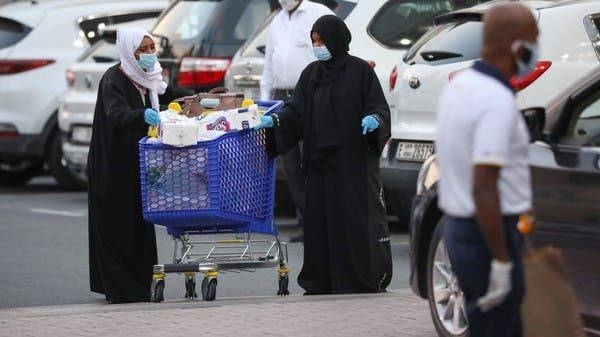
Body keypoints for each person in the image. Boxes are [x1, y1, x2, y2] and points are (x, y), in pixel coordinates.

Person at [256, 15, 392, 294]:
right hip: (319, 164)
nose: (318, 46)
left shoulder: (360, 71)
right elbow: (297, 112)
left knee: (354, 222)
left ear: (337, 40)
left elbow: (377, 106)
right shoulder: (311, 74)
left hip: (353, 164)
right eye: (315, 41)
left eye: (322, 41)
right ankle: (323, 281)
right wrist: (278, 121)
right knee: (321, 223)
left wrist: (374, 120)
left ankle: (359, 279)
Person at [435, 3, 539, 336]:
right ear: (516, 45)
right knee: (501, 327)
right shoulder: (494, 99)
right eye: (533, 41)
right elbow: (484, 186)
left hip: (461, 229)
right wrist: (502, 260)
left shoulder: (458, 87)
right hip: (489, 233)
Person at [87, 27, 192, 303]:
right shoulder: (114, 79)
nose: (148, 55)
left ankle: (141, 285)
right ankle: (120, 290)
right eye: (142, 50)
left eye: (151, 49)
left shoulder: (150, 77)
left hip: (140, 163)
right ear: (128, 52)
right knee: (117, 225)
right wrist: (140, 115)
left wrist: (196, 99)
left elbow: (171, 93)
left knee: (139, 225)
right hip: (114, 164)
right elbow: (117, 113)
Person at [261, 0, 334, 242]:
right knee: (291, 165)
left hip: (311, 95)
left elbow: (335, 53)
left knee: (312, 160)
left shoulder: (318, 13)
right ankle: (307, 222)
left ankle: (323, 222)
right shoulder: (278, 20)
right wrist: (265, 101)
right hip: (283, 98)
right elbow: (269, 66)